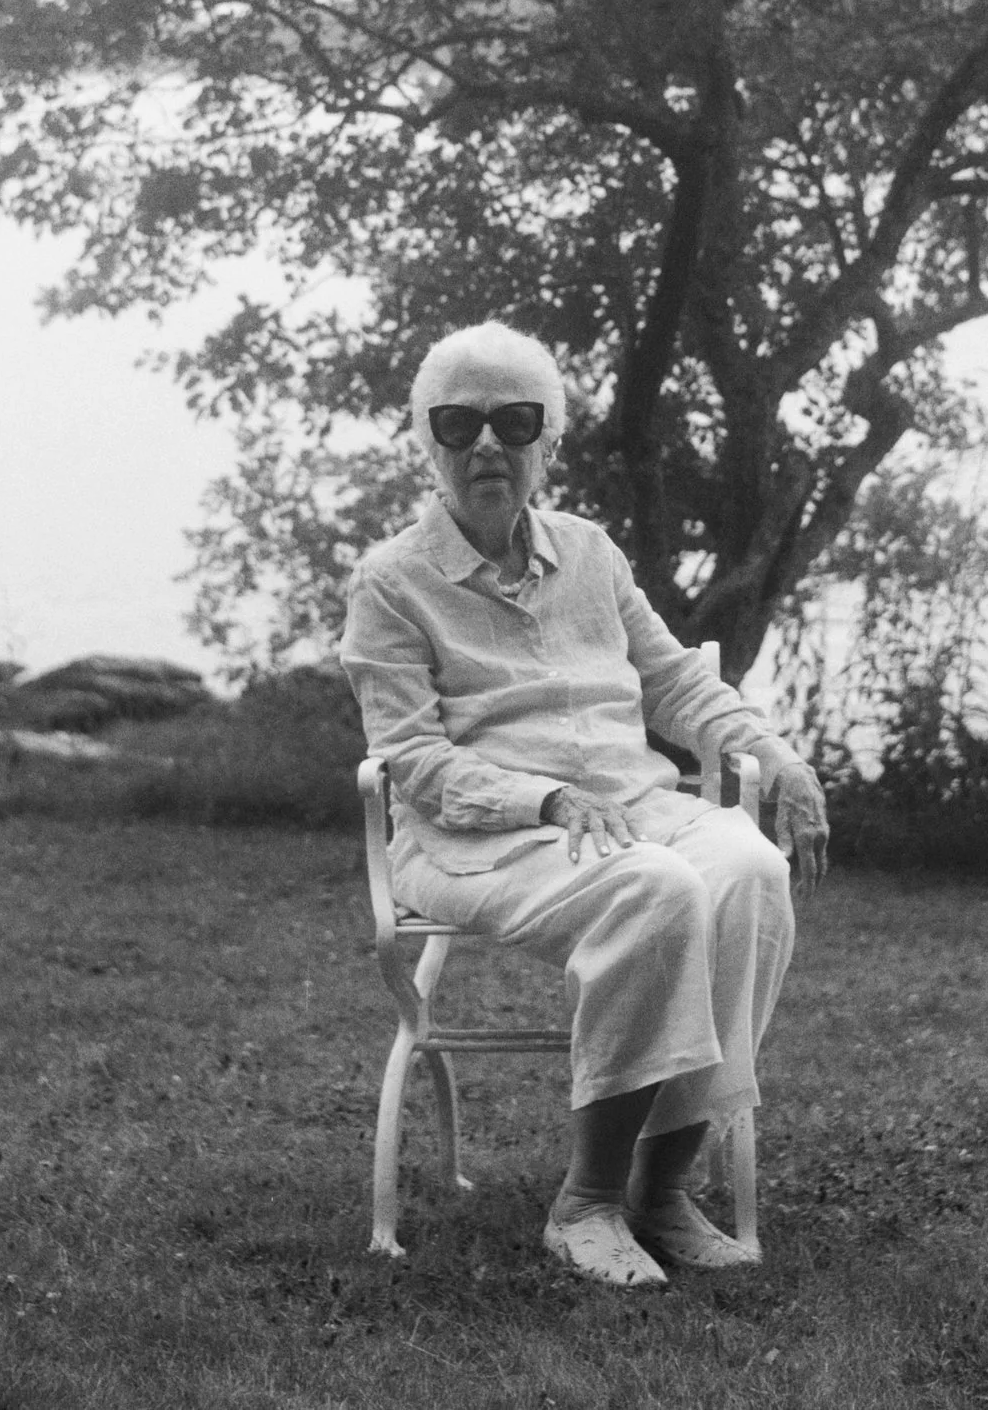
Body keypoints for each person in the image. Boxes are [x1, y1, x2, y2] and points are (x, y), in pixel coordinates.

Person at [339, 321, 830, 1288]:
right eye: (460, 423)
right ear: (428, 442)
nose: (488, 443)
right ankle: (588, 1202)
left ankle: (662, 1188)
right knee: (655, 888)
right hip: (478, 833)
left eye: (515, 421)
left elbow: (675, 683)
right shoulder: (390, 583)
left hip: (627, 805)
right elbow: (413, 758)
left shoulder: (591, 555)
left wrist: (776, 757)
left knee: (748, 868)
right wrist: (543, 796)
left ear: (549, 442)